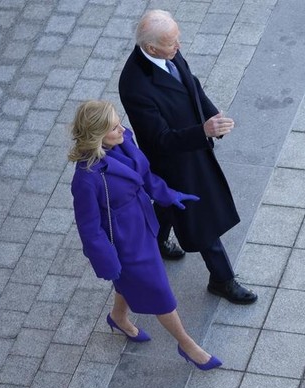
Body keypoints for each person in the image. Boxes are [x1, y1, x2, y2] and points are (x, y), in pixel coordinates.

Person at [69, 100, 221, 371]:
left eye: (118, 121)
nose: (122, 128)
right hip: (126, 244)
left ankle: (118, 317)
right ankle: (186, 344)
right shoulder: (86, 179)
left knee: (133, 282)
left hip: (143, 225)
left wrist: (168, 194)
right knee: (159, 291)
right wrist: (107, 262)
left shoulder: (121, 140)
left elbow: (144, 175)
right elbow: (89, 229)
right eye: (113, 127)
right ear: (96, 136)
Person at [118, 9, 257, 305]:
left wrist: (212, 115)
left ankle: (154, 241)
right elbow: (160, 140)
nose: (178, 47)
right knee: (199, 215)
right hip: (174, 161)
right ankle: (222, 279)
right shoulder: (135, 85)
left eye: (177, 39)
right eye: (172, 43)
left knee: (170, 204)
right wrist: (202, 131)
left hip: (193, 148)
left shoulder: (166, 53)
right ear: (151, 48)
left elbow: (190, 84)